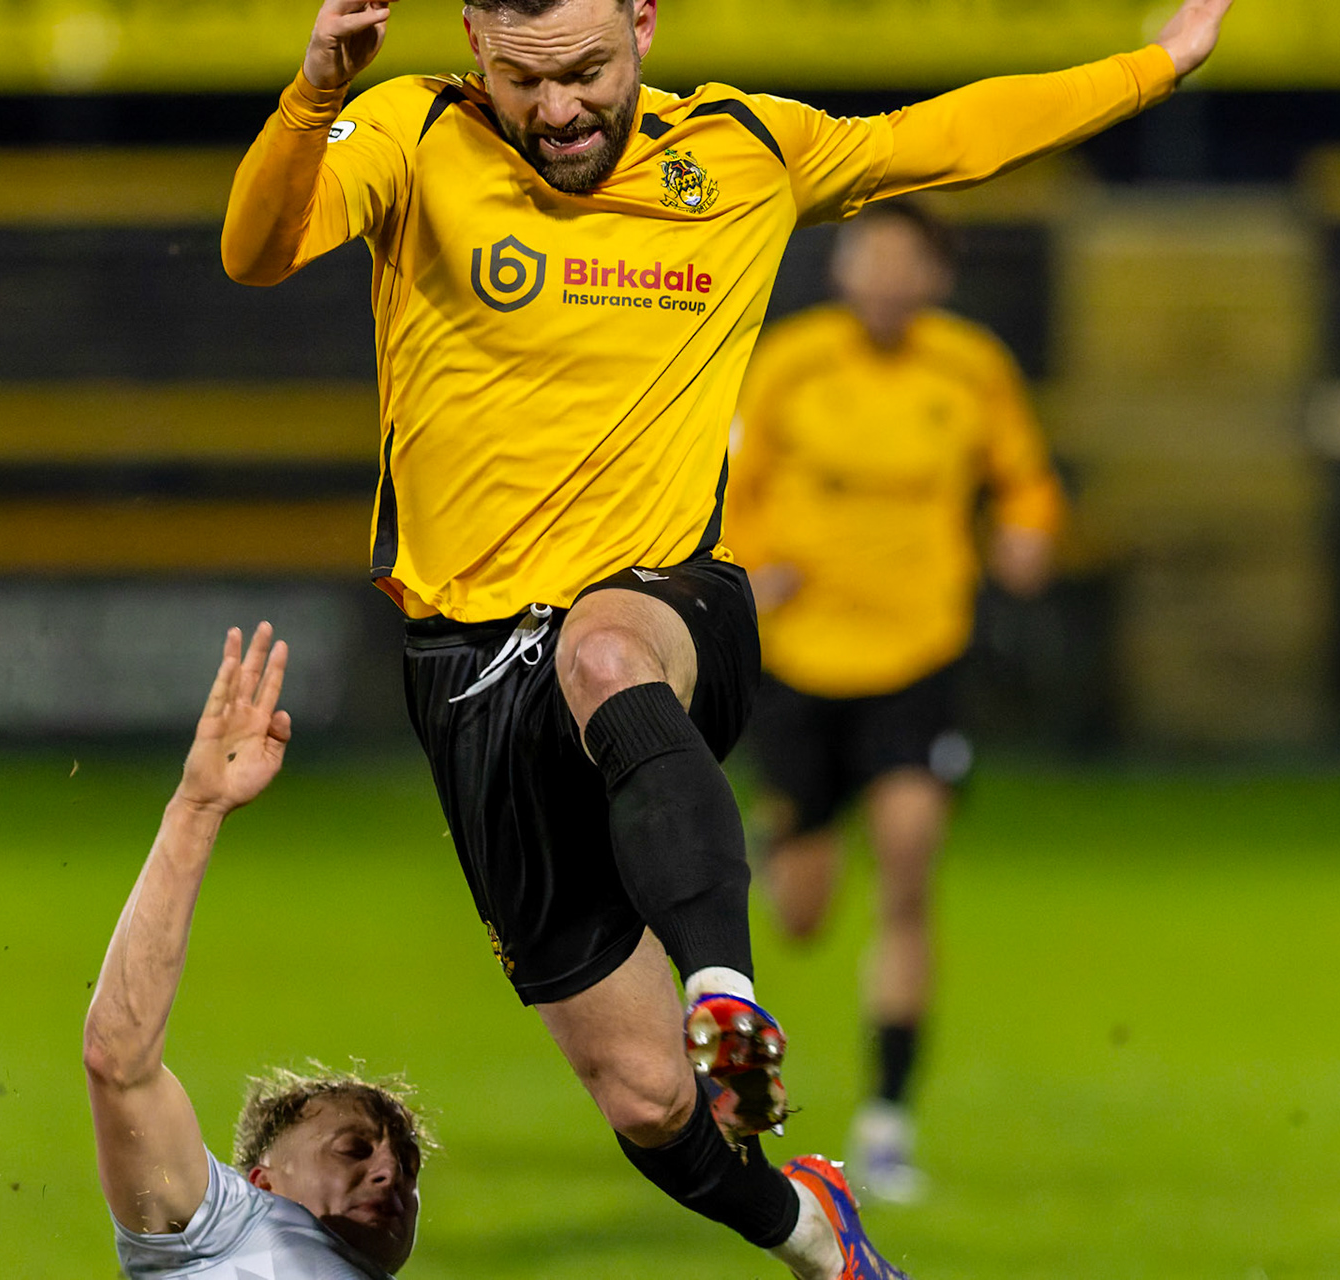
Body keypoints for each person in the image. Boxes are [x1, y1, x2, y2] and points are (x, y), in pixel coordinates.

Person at [219, 1, 1232, 1275]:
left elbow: (949, 137)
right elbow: (255, 252)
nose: (559, 110)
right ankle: (815, 1231)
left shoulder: (745, 149)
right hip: (467, 666)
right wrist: (311, 92)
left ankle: (725, 990)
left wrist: (1155, 65)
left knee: (603, 655)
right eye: (524, 80)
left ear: (644, 21)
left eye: (586, 71)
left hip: (663, 601)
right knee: (647, 1100)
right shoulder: (412, 132)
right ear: (475, 47)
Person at [725, 199, 1064, 1205]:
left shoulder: (970, 368)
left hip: (921, 654)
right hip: (803, 658)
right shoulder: (790, 363)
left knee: (909, 864)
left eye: (903, 260)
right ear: (843, 269)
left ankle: (885, 1122)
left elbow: (1027, 481)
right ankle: (771, 835)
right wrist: (751, 569)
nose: (883, 275)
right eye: (867, 255)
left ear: (935, 277)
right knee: (799, 912)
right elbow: (727, 484)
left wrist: (1029, 533)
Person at [83, 623, 429, 1278]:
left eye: (407, 1169)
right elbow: (117, 1060)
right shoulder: (227, 1226)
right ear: (263, 1180)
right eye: (352, 1150)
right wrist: (197, 809)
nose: (390, 1172)